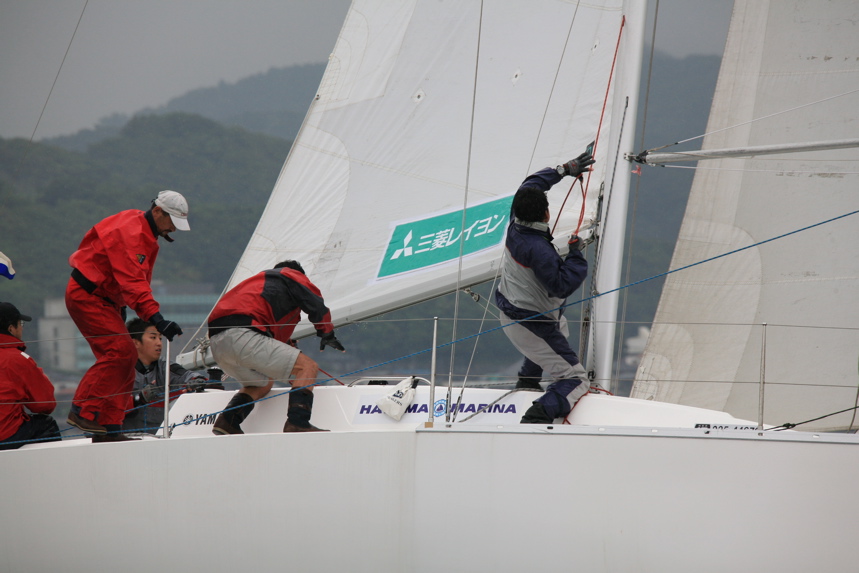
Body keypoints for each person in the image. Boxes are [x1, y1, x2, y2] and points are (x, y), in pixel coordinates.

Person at [65, 190, 189, 442]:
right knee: (120, 352)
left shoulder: (142, 230)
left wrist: (130, 308)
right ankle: (82, 410)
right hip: (88, 296)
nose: (173, 229)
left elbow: (132, 282)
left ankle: (110, 427)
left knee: (126, 358)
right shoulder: (131, 233)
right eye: (172, 222)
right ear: (157, 212)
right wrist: (157, 319)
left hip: (105, 299)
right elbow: (134, 283)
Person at [494, 150, 595, 424]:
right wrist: (575, 254)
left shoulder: (515, 221)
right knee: (575, 378)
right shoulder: (538, 250)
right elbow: (561, 285)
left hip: (514, 313)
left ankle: (528, 382)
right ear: (547, 214)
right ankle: (537, 416)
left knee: (559, 327)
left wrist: (564, 170)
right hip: (530, 323)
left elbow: (531, 184)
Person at [207, 260, 345, 434]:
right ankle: (298, 422)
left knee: (262, 383)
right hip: (243, 335)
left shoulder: (255, 285)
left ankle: (227, 421)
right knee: (307, 367)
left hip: (217, 345)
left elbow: (273, 340)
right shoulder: (289, 275)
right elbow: (314, 300)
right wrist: (326, 332)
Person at [122, 318, 211, 435]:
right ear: (135, 343)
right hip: (124, 439)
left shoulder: (164, 366)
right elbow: (107, 407)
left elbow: (186, 375)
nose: (159, 343)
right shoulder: (119, 370)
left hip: (159, 439)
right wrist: (139, 399)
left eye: (160, 338)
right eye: (153, 337)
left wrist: (196, 381)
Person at [0, 302, 61, 450]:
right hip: (5, 434)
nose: (22, 328)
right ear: (11, 328)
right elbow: (45, 405)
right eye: (20, 324)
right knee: (46, 424)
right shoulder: (17, 359)